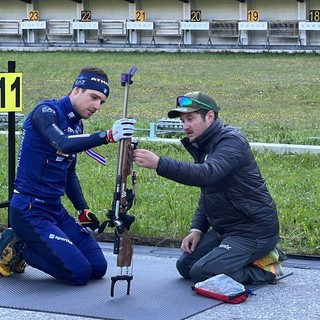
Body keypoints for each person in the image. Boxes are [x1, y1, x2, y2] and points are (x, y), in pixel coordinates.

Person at [0, 67, 136, 285]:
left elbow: (68, 171)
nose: (97, 106)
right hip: (29, 209)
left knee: (98, 267)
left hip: (54, 209)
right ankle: (18, 246)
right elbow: (62, 142)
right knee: (79, 274)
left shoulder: (77, 124)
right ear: (77, 90)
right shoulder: (45, 112)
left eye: (102, 102)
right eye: (94, 97)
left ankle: (32, 244)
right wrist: (107, 135)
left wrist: (82, 209)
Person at [133, 91, 285, 285]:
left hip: (253, 231)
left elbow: (207, 174)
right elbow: (208, 190)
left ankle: (267, 268)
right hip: (226, 228)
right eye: (182, 121)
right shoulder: (204, 144)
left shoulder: (231, 142)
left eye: (190, 119)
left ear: (210, 116)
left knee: (202, 272)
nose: (185, 126)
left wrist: (160, 163)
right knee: (186, 266)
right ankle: (239, 258)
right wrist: (197, 229)